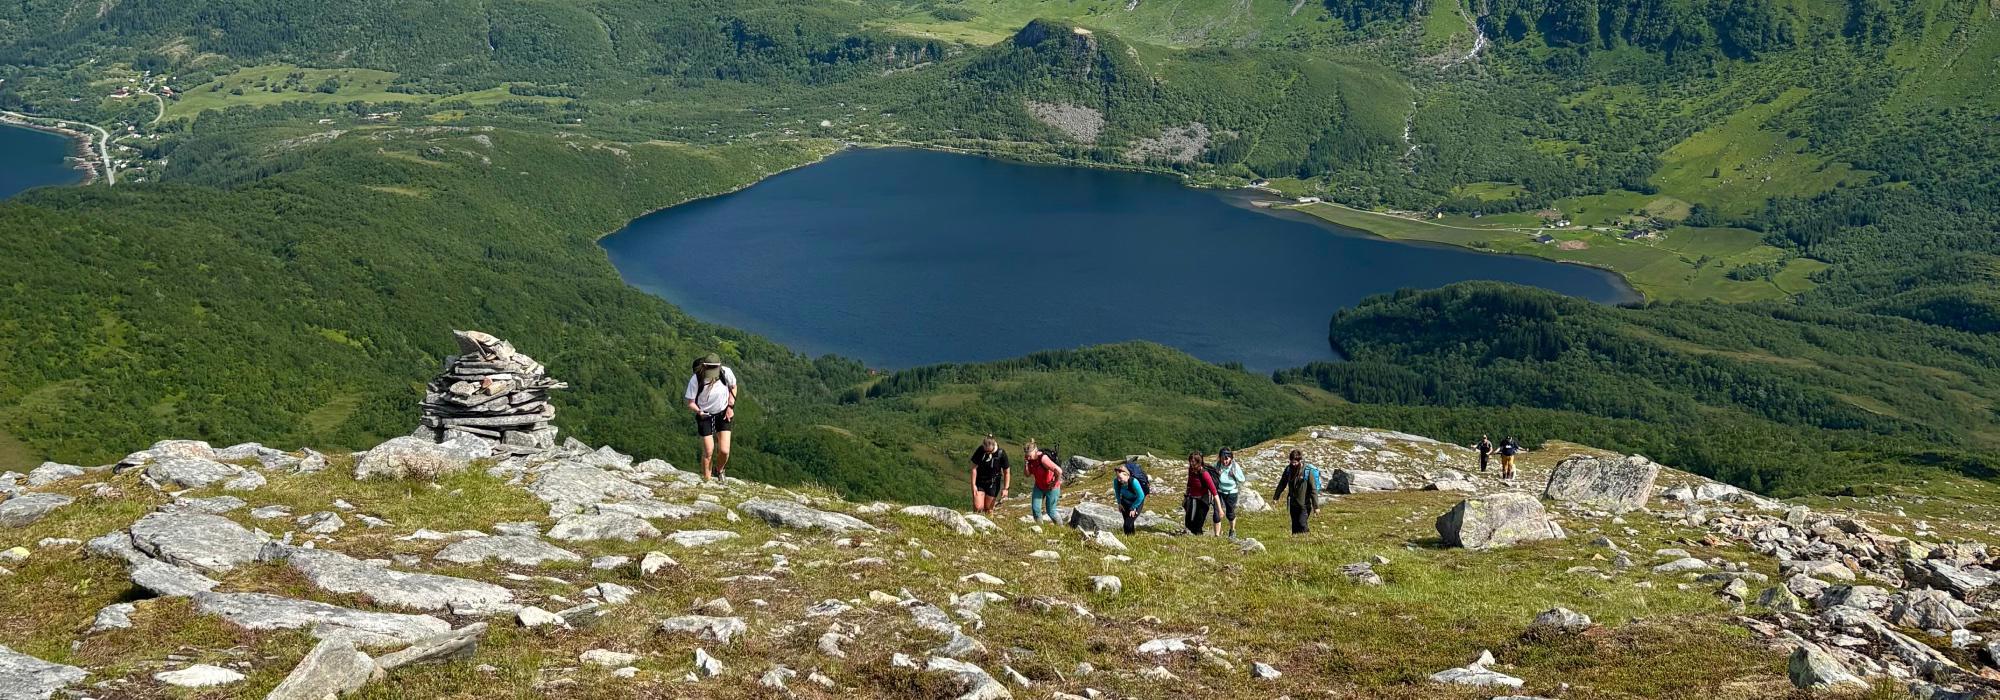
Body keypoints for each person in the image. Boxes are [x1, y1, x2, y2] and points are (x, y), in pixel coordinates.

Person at [683, 353, 738, 482]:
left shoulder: (726, 373)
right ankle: (707, 480)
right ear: (704, 367)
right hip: (705, 415)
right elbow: (691, 402)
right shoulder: (696, 378)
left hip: (723, 412)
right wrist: (699, 412)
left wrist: (730, 406)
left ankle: (719, 470)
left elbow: (733, 387)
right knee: (709, 451)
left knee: (724, 450)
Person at [1271, 449, 1319, 535]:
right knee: (1295, 526)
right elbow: (1282, 484)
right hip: (1293, 504)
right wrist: (1276, 497)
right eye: (1292, 462)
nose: (1293, 464)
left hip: (1304, 504)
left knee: (1302, 524)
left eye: (1295, 462)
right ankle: (1296, 543)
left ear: (1300, 461)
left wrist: (1316, 507)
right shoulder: (1288, 470)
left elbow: (1313, 489)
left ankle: (1307, 540)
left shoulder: (1307, 471)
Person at [1183, 452, 1223, 536]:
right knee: (1189, 522)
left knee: (1198, 523)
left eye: (1193, 461)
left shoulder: (1204, 474)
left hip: (1202, 501)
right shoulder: (1191, 470)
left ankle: (1198, 537)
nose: (1191, 463)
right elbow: (1189, 483)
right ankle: (1193, 537)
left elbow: (1214, 492)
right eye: (1190, 461)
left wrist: (1220, 509)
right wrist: (1186, 496)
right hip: (1192, 498)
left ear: (1198, 462)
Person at [1024, 440, 1063, 524]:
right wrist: (1026, 463)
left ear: (1035, 451)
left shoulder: (1043, 459)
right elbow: (1027, 474)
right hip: (1039, 486)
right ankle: (1039, 529)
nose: (1028, 457)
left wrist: (1054, 482)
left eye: (1029, 456)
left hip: (1051, 488)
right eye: (1027, 456)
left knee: (1051, 512)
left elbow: (1059, 471)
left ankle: (1061, 528)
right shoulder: (1029, 460)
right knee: (1036, 509)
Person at [969, 436, 1010, 515]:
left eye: (989, 451)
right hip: (980, 481)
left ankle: (988, 525)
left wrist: (1006, 488)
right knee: (978, 507)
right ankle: (975, 521)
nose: (987, 453)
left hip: (993, 483)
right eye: (986, 451)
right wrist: (973, 485)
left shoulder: (1000, 453)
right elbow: (973, 468)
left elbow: (1007, 472)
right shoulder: (980, 450)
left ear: (994, 446)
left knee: (988, 508)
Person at [1215, 448, 1247, 538]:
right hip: (1220, 491)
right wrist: (1217, 474)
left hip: (1231, 492)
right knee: (1216, 512)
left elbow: (1242, 479)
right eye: (1223, 458)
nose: (1224, 461)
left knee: (1230, 513)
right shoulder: (1217, 465)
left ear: (1231, 458)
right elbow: (1212, 476)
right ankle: (1217, 534)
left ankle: (1232, 530)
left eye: (1227, 459)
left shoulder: (1235, 466)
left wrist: (1234, 474)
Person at [1113, 460, 1148, 535]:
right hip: (1125, 502)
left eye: (1120, 477)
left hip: (1137, 502)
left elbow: (1141, 496)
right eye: (1117, 477)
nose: (1119, 480)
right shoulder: (1116, 481)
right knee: (1128, 523)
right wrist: (1119, 503)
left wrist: (1133, 507)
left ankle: (1129, 540)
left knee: (1127, 524)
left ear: (1127, 475)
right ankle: (1131, 539)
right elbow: (1117, 492)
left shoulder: (1134, 481)